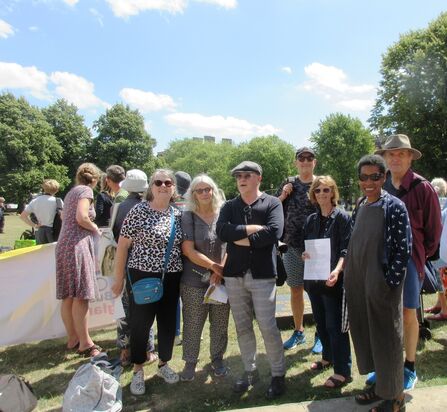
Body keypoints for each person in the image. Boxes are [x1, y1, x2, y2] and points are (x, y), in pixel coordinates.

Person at [372, 134, 442, 390]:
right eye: (391, 154)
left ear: (410, 156)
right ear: (385, 159)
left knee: (408, 313)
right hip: (382, 261)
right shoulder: (381, 187)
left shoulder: (423, 188)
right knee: (385, 313)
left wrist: (420, 257)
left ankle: (409, 365)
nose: (396, 158)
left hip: (411, 261)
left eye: (401, 153)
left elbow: (434, 232)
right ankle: (388, 365)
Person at [344, 154, 411, 412]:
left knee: (387, 339)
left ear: (383, 177)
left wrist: (387, 285)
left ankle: (395, 398)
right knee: (366, 334)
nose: (369, 182)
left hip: (381, 284)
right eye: (364, 177)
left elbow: (402, 251)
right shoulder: (360, 204)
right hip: (358, 282)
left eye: (374, 177)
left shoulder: (394, 206)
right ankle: (380, 386)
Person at [217, 161, 286, 399]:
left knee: (268, 327)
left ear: (258, 178)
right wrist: (253, 229)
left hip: (263, 275)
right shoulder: (229, 206)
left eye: (247, 175)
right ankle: (250, 371)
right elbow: (222, 232)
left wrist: (240, 236)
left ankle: (278, 374)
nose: (241, 179)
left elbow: (273, 233)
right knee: (243, 327)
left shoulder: (272, 202)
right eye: (238, 176)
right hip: (234, 275)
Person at [112, 169, 183, 396]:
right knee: (140, 324)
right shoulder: (138, 211)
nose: (163, 185)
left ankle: (163, 364)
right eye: (158, 182)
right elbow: (122, 246)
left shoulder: (178, 215)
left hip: (171, 277)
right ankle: (138, 370)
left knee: (167, 323)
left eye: (168, 182)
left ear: (173, 188)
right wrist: (118, 278)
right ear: (151, 187)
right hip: (141, 276)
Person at [301, 176, 352, 388]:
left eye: (326, 190)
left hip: (334, 281)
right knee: (321, 322)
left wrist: (338, 270)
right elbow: (308, 247)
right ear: (313, 194)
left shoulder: (342, 217)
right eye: (318, 190)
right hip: (314, 280)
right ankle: (327, 358)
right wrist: (306, 254)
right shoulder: (311, 220)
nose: (322, 194)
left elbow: (346, 249)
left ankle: (343, 371)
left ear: (333, 192)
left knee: (335, 325)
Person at [179, 174, 230, 381]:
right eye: (199, 190)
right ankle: (190, 362)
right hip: (194, 279)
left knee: (220, 323)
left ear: (214, 190)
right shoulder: (188, 215)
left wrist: (221, 270)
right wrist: (214, 268)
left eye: (208, 189)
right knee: (192, 322)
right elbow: (188, 250)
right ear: (193, 194)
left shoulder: (224, 213)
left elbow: (230, 244)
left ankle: (217, 358)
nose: (204, 193)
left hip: (221, 280)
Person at [111, 169, 158, 366]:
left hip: (122, 262)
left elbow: (114, 234)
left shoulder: (120, 206)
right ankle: (146, 351)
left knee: (123, 310)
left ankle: (125, 351)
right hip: (141, 265)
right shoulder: (146, 207)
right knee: (144, 308)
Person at [55, 163, 102, 357]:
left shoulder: (72, 191)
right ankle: (85, 343)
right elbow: (82, 217)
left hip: (65, 245)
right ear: (95, 179)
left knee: (68, 296)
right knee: (81, 295)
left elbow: (65, 216)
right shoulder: (85, 191)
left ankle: (73, 338)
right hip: (77, 246)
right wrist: (95, 228)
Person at [276, 147, 320, 353]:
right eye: (301, 159)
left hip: (316, 247)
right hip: (292, 245)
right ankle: (299, 331)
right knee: (295, 290)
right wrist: (284, 194)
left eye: (309, 158)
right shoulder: (289, 183)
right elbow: (274, 207)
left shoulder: (321, 184)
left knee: (318, 292)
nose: (305, 162)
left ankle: (321, 334)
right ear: (296, 163)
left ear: (314, 162)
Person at [424, 177, 447, 321]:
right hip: (439, 250)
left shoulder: (440, 205)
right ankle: (439, 304)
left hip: (441, 251)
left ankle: (444, 310)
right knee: (440, 280)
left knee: (442, 281)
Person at [173, 171, 192, 346]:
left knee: (175, 298)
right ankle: (190, 330)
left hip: (174, 256)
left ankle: (176, 333)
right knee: (190, 297)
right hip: (191, 255)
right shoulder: (192, 202)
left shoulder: (170, 203)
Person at [20, 179, 62, 245]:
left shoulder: (35, 200)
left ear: (44, 189)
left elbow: (23, 216)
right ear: (56, 190)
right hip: (55, 231)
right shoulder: (58, 201)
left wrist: (34, 225)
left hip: (40, 230)